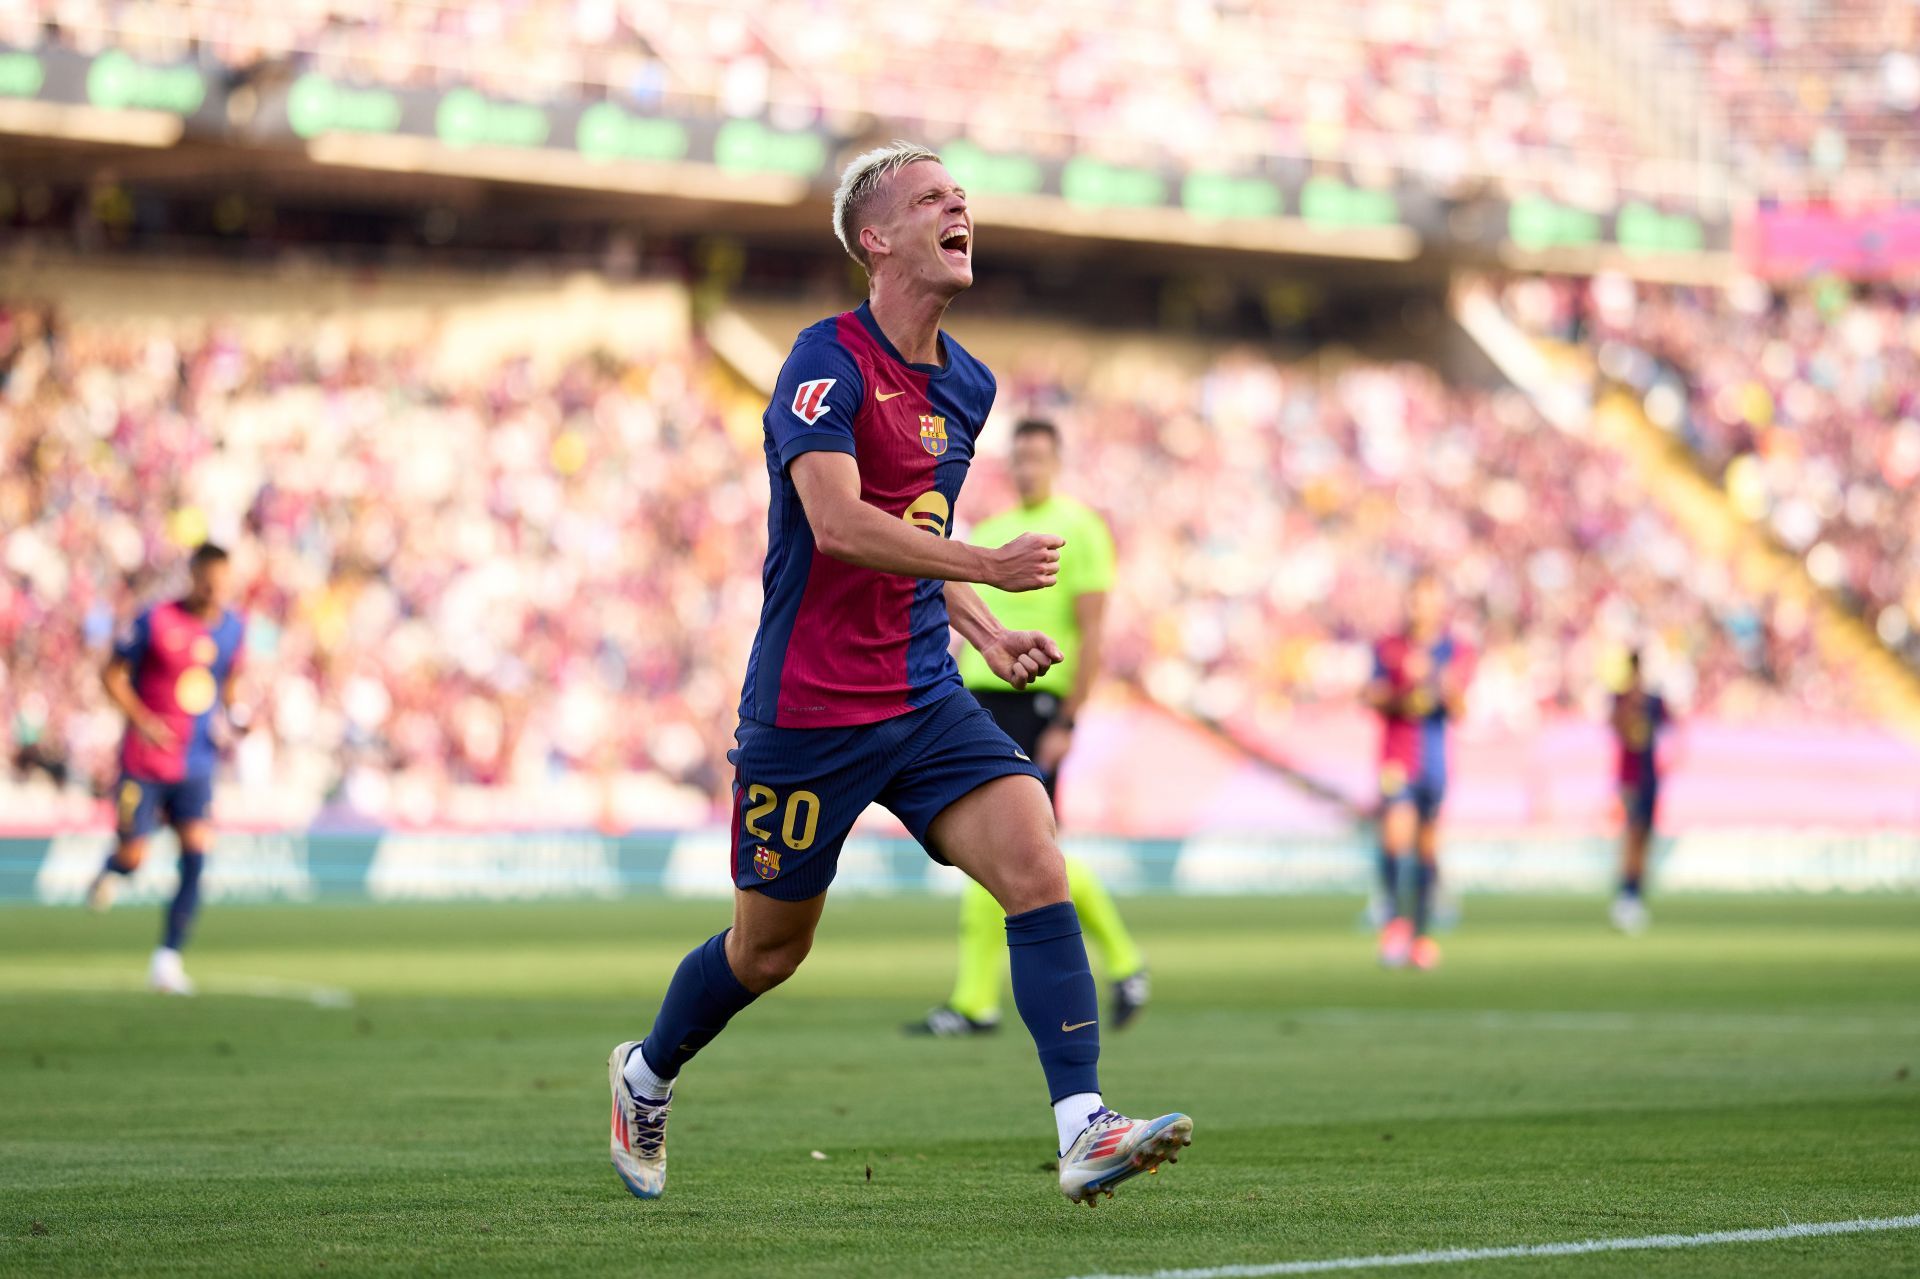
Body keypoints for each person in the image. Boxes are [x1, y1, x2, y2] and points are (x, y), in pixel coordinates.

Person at [605, 142, 1191, 1207]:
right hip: (810, 708)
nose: (957, 204)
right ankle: (645, 1073)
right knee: (769, 949)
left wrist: (978, 624)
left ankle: (1083, 1125)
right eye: (930, 198)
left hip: (924, 696)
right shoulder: (822, 360)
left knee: (1035, 862)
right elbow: (836, 525)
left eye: (961, 196)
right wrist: (988, 568)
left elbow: (919, 529)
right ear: (877, 238)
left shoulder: (967, 383)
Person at [910, 417, 1149, 1038]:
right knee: (999, 849)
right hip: (974, 699)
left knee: (1025, 851)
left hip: (1036, 701)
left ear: (1057, 460)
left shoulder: (1081, 530)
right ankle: (982, 1000)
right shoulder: (989, 533)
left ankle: (1109, 967)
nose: (1028, 468)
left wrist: (1069, 717)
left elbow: (1092, 631)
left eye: (1038, 457)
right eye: (1019, 457)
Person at [86, 543, 247, 995]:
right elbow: (110, 675)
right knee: (135, 856)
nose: (216, 591)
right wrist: (144, 722)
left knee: (197, 850)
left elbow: (229, 684)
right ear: (193, 577)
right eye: (208, 581)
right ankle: (111, 868)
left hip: (196, 762)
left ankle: (168, 958)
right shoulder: (154, 620)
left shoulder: (233, 628)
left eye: (224, 582)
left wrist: (238, 716)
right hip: (143, 760)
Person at [1365, 573, 1473, 971]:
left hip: (1435, 761)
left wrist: (1442, 685)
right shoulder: (1389, 647)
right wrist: (1400, 691)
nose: (1421, 607)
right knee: (1396, 836)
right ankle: (1394, 923)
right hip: (1396, 756)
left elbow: (1461, 709)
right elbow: (1372, 696)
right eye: (1416, 598)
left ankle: (1421, 936)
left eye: (1429, 599)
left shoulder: (1456, 650)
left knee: (1428, 848)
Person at [1609, 651, 1670, 934]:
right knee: (1632, 833)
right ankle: (1627, 896)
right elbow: (1616, 728)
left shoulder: (1654, 701)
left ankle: (1635, 893)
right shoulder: (1621, 699)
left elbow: (1670, 730)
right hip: (1630, 779)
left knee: (1645, 837)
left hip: (1649, 777)